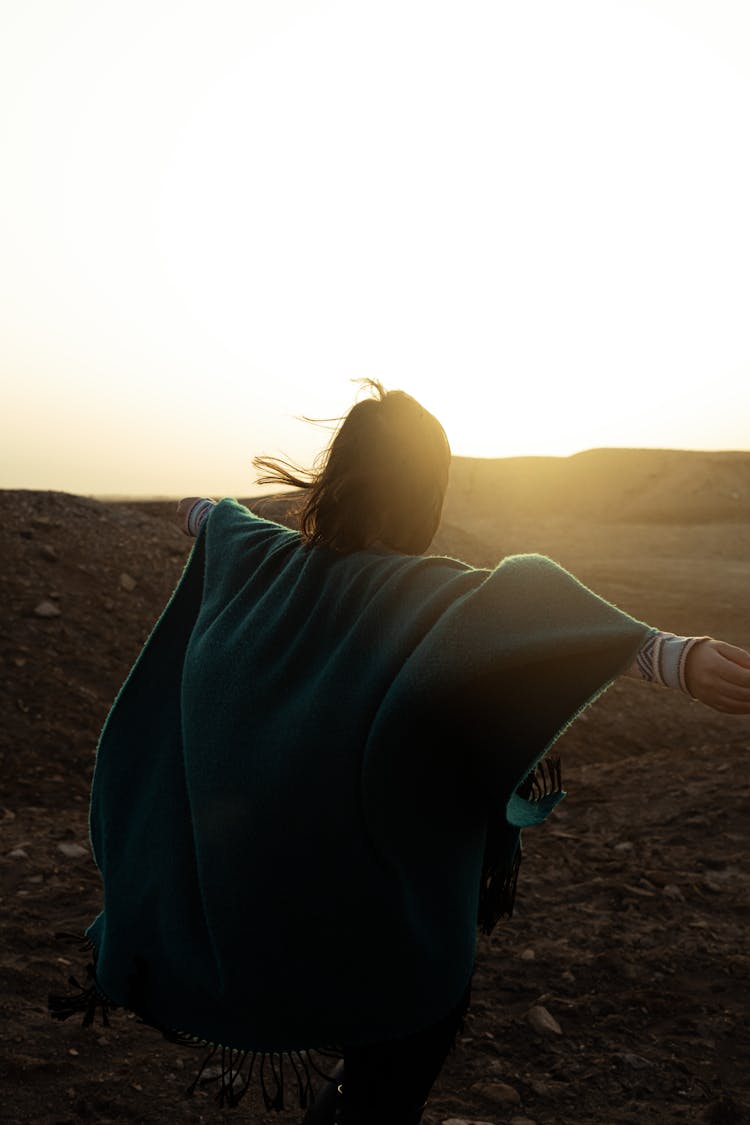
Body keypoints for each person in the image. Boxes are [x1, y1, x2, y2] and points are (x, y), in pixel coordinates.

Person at [51, 381, 750, 1125]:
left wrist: (204, 516)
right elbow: (536, 605)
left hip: (248, 909)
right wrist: (678, 657)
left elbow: (205, 515)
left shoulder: (258, 556)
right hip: (365, 926)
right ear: (426, 491)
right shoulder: (428, 594)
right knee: (412, 1027)